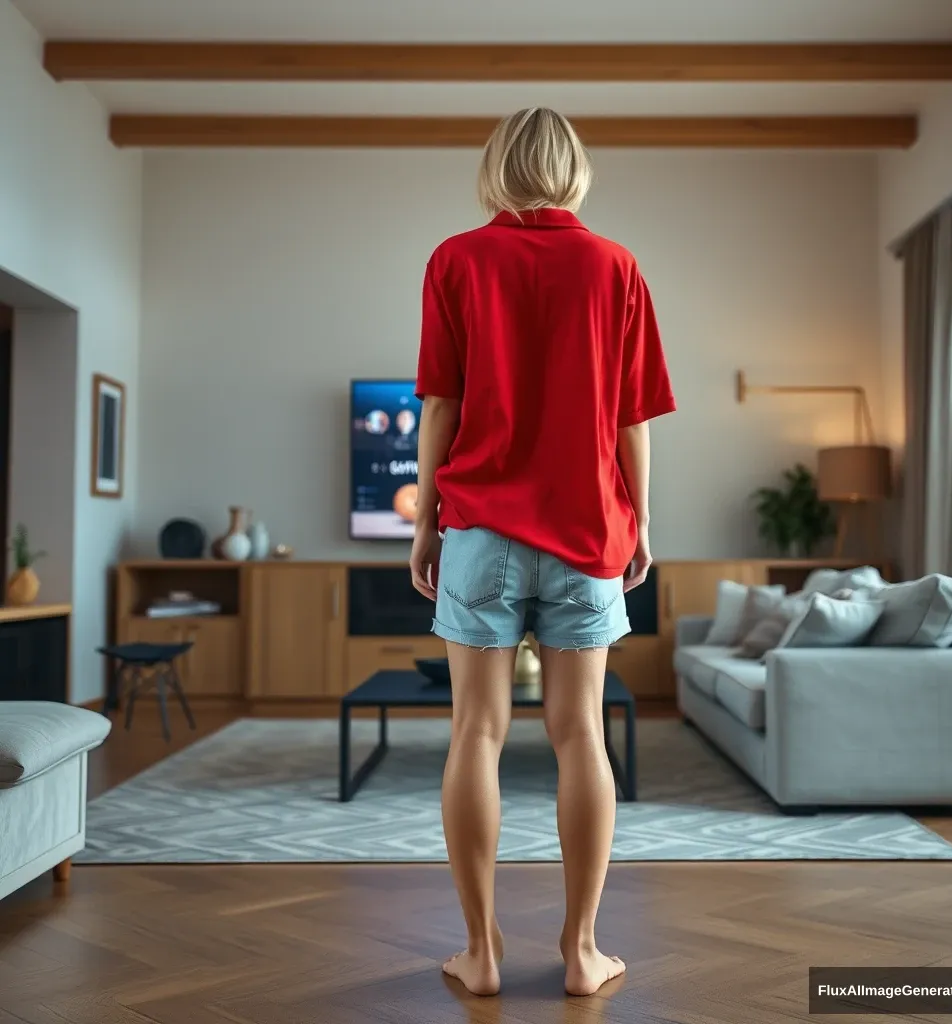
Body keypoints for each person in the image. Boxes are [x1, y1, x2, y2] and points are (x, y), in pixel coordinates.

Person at [410, 107, 676, 998]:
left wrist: (424, 522)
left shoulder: (455, 258)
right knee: (580, 736)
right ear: (573, 169)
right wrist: (640, 519)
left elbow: (439, 408)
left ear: (495, 168)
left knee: (474, 734)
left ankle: (480, 954)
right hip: (587, 530)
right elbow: (630, 419)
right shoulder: (617, 265)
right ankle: (581, 952)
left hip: (479, 531)